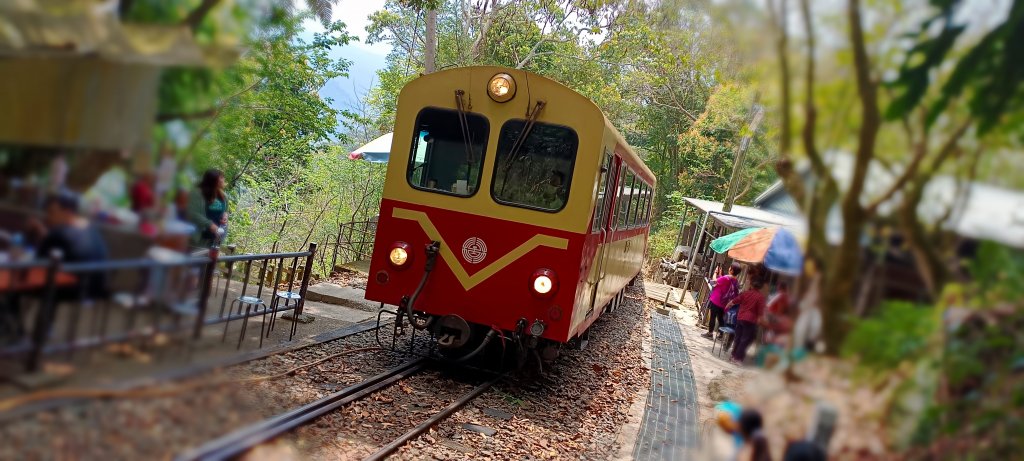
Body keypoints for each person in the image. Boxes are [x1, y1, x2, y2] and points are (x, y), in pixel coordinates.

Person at [35, 191, 109, 298]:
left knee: (14, 284)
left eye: (52, 212)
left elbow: (37, 262)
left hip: (69, 290)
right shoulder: (90, 228)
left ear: (68, 212)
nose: (48, 217)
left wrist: (42, 238)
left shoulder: (58, 233)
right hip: (95, 290)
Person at [187, 169, 229, 249]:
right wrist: (210, 225)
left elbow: (226, 210)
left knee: (210, 260)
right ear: (213, 180)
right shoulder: (197, 194)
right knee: (195, 260)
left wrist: (225, 215)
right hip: (199, 237)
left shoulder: (223, 195)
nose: (223, 179)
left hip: (215, 238)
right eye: (221, 177)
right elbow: (192, 213)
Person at [730, 279, 767, 365]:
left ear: (752, 285)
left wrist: (728, 305)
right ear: (760, 287)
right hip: (750, 320)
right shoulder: (760, 297)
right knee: (745, 340)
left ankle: (733, 355)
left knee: (738, 338)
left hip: (740, 318)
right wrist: (760, 320)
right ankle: (737, 358)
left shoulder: (746, 293)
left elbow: (735, 300)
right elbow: (761, 311)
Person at [702, 264, 741, 339]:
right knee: (720, 318)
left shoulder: (726, 278)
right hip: (724, 303)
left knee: (712, 317)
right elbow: (724, 284)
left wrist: (715, 273)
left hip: (716, 300)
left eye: (730, 267)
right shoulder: (735, 281)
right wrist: (720, 274)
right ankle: (721, 334)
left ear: (731, 270)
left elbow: (713, 282)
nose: (729, 268)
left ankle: (710, 333)